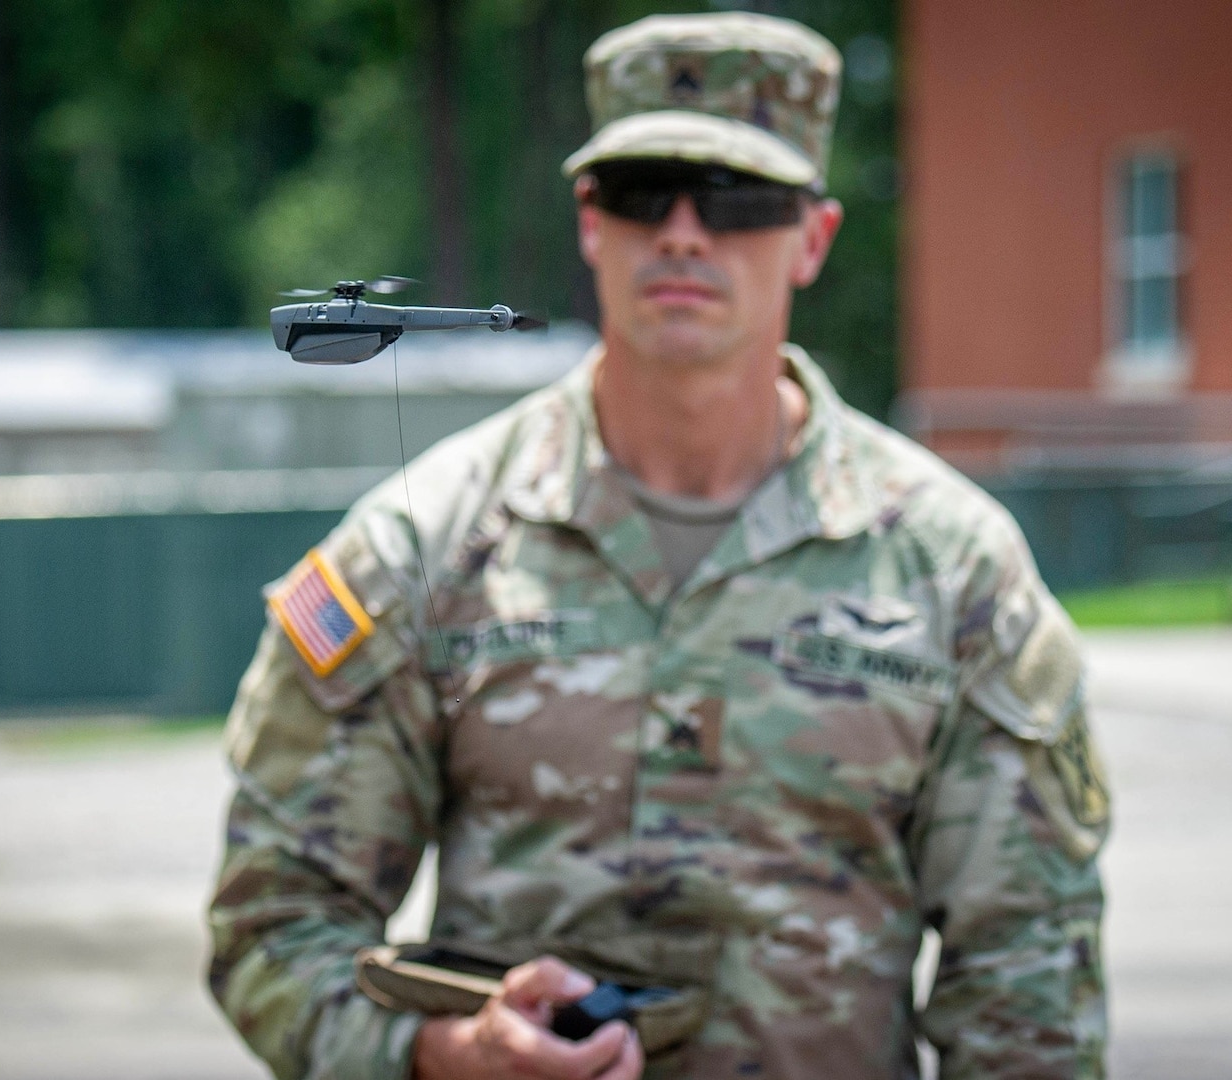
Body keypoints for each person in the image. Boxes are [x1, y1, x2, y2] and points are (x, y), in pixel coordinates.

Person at [207, 12, 1109, 1080]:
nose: (684, 232)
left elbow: (1026, 984)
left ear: (813, 237)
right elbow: (276, 923)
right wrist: (444, 1056)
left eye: (738, 199)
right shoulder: (426, 547)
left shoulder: (956, 573)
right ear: (590, 220)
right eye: (643, 192)